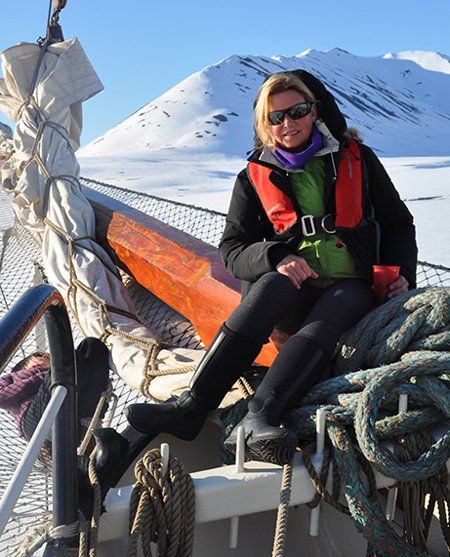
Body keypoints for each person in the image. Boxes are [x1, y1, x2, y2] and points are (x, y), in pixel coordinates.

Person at [126, 70, 417, 465]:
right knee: (270, 287)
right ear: (265, 125)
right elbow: (232, 249)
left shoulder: (357, 159)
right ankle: (192, 408)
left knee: (333, 309)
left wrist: (402, 277)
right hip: (293, 294)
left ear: (315, 111)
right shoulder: (253, 176)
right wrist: (276, 257)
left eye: (297, 111)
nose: (288, 123)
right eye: (275, 117)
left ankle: (258, 418)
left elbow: (398, 223)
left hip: (354, 286)